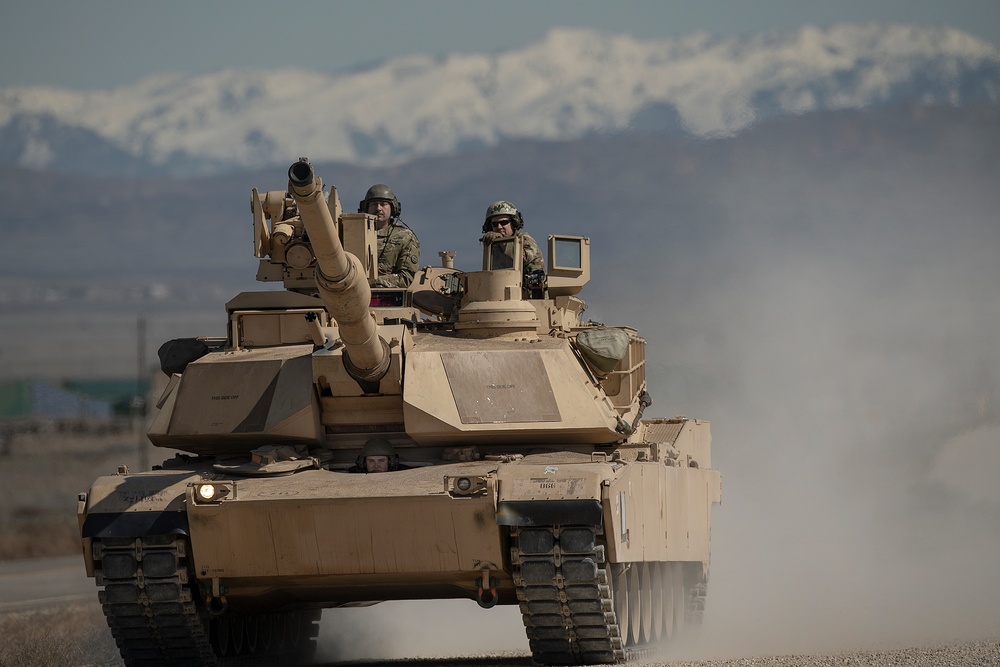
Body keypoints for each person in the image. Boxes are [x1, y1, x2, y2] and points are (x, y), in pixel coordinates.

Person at [358, 184, 420, 288]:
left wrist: (373, 282)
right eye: (374, 204)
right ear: (366, 207)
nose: (378, 208)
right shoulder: (352, 233)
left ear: (393, 208)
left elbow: (406, 278)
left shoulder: (405, 237)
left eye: (383, 204)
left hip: (385, 296)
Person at [480, 200, 544, 282]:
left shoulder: (524, 239)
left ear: (513, 223)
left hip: (530, 292)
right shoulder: (493, 247)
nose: (499, 227)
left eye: (504, 222)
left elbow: (524, 258)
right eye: (495, 224)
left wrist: (503, 242)